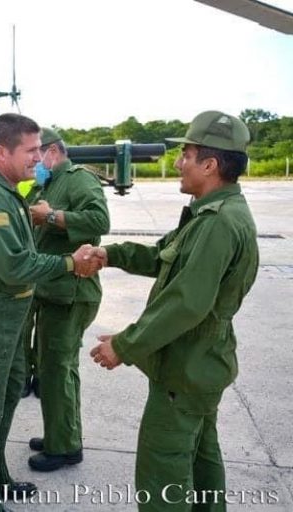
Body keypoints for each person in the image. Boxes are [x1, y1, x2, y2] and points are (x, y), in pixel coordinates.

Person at [89, 111, 259, 511]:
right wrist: (108, 253)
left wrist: (124, 346)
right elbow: (160, 255)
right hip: (202, 366)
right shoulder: (213, 213)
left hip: (183, 371)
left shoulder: (218, 223)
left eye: (186, 154)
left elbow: (186, 303)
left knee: (162, 478)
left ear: (210, 165)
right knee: (201, 461)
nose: (179, 163)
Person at [0, 113, 100, 512]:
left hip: (6, 316)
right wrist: (69, 263)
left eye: (40, 150)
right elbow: (14, 265)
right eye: (30, 151)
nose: (38, 158)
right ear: (1, 152)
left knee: (9, 391)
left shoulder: (7, 190)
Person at [22, 127, 110, 472]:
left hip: (72, 293)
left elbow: (99, 220)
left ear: (53, 152)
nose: (33, 160)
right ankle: (59, 433)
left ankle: (65, 447)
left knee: (58, 370)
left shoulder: (78, 180)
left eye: (35, 152)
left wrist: (52, 217)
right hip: (53, 291)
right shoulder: (47, 184)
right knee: (52, 369)